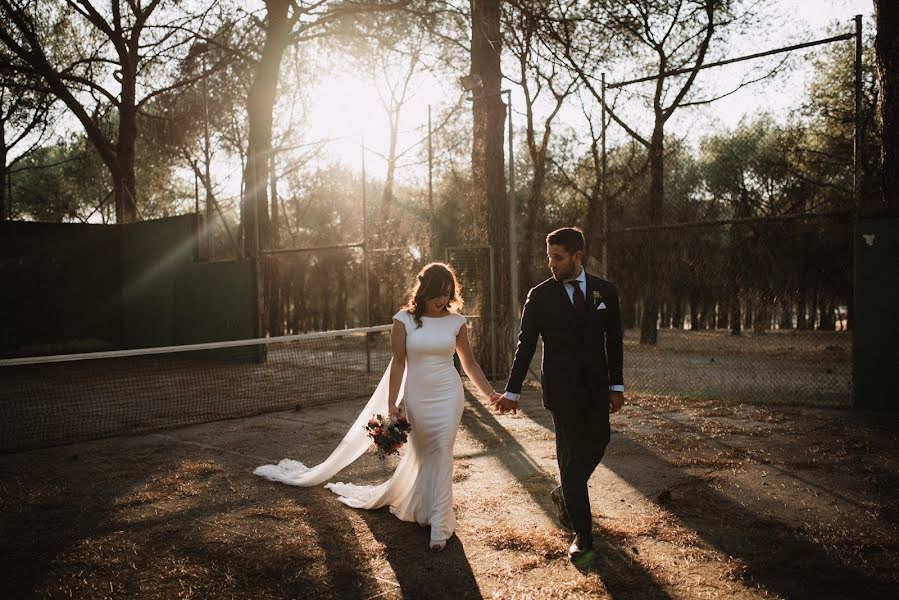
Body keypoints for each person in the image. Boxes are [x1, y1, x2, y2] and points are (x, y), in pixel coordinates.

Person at [255, 262, 499, 553]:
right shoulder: (404, 320)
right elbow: (398, 363)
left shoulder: (456, 322)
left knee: (442, 451)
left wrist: (491, 394)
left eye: (448, 293)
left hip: (449, 394)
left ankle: (440, 524)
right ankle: (423, 509)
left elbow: (469, 364)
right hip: (418, 395)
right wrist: (392, 403)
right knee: (423, 454)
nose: (442, 299)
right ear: (424, 290)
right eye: (437, 292)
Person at [493, 227, 625, 561]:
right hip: (561, 392)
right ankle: (583, 534)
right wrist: (512, 390)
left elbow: (615, 341)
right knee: (569, 459)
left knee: (599, 441)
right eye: (549, 256)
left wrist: (616, 385)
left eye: (558, 257)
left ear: (577, 256)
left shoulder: (604, 291)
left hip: (596, 388)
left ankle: (566, 493)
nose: (551, 263)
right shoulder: (539, 296)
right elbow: (525, 347)